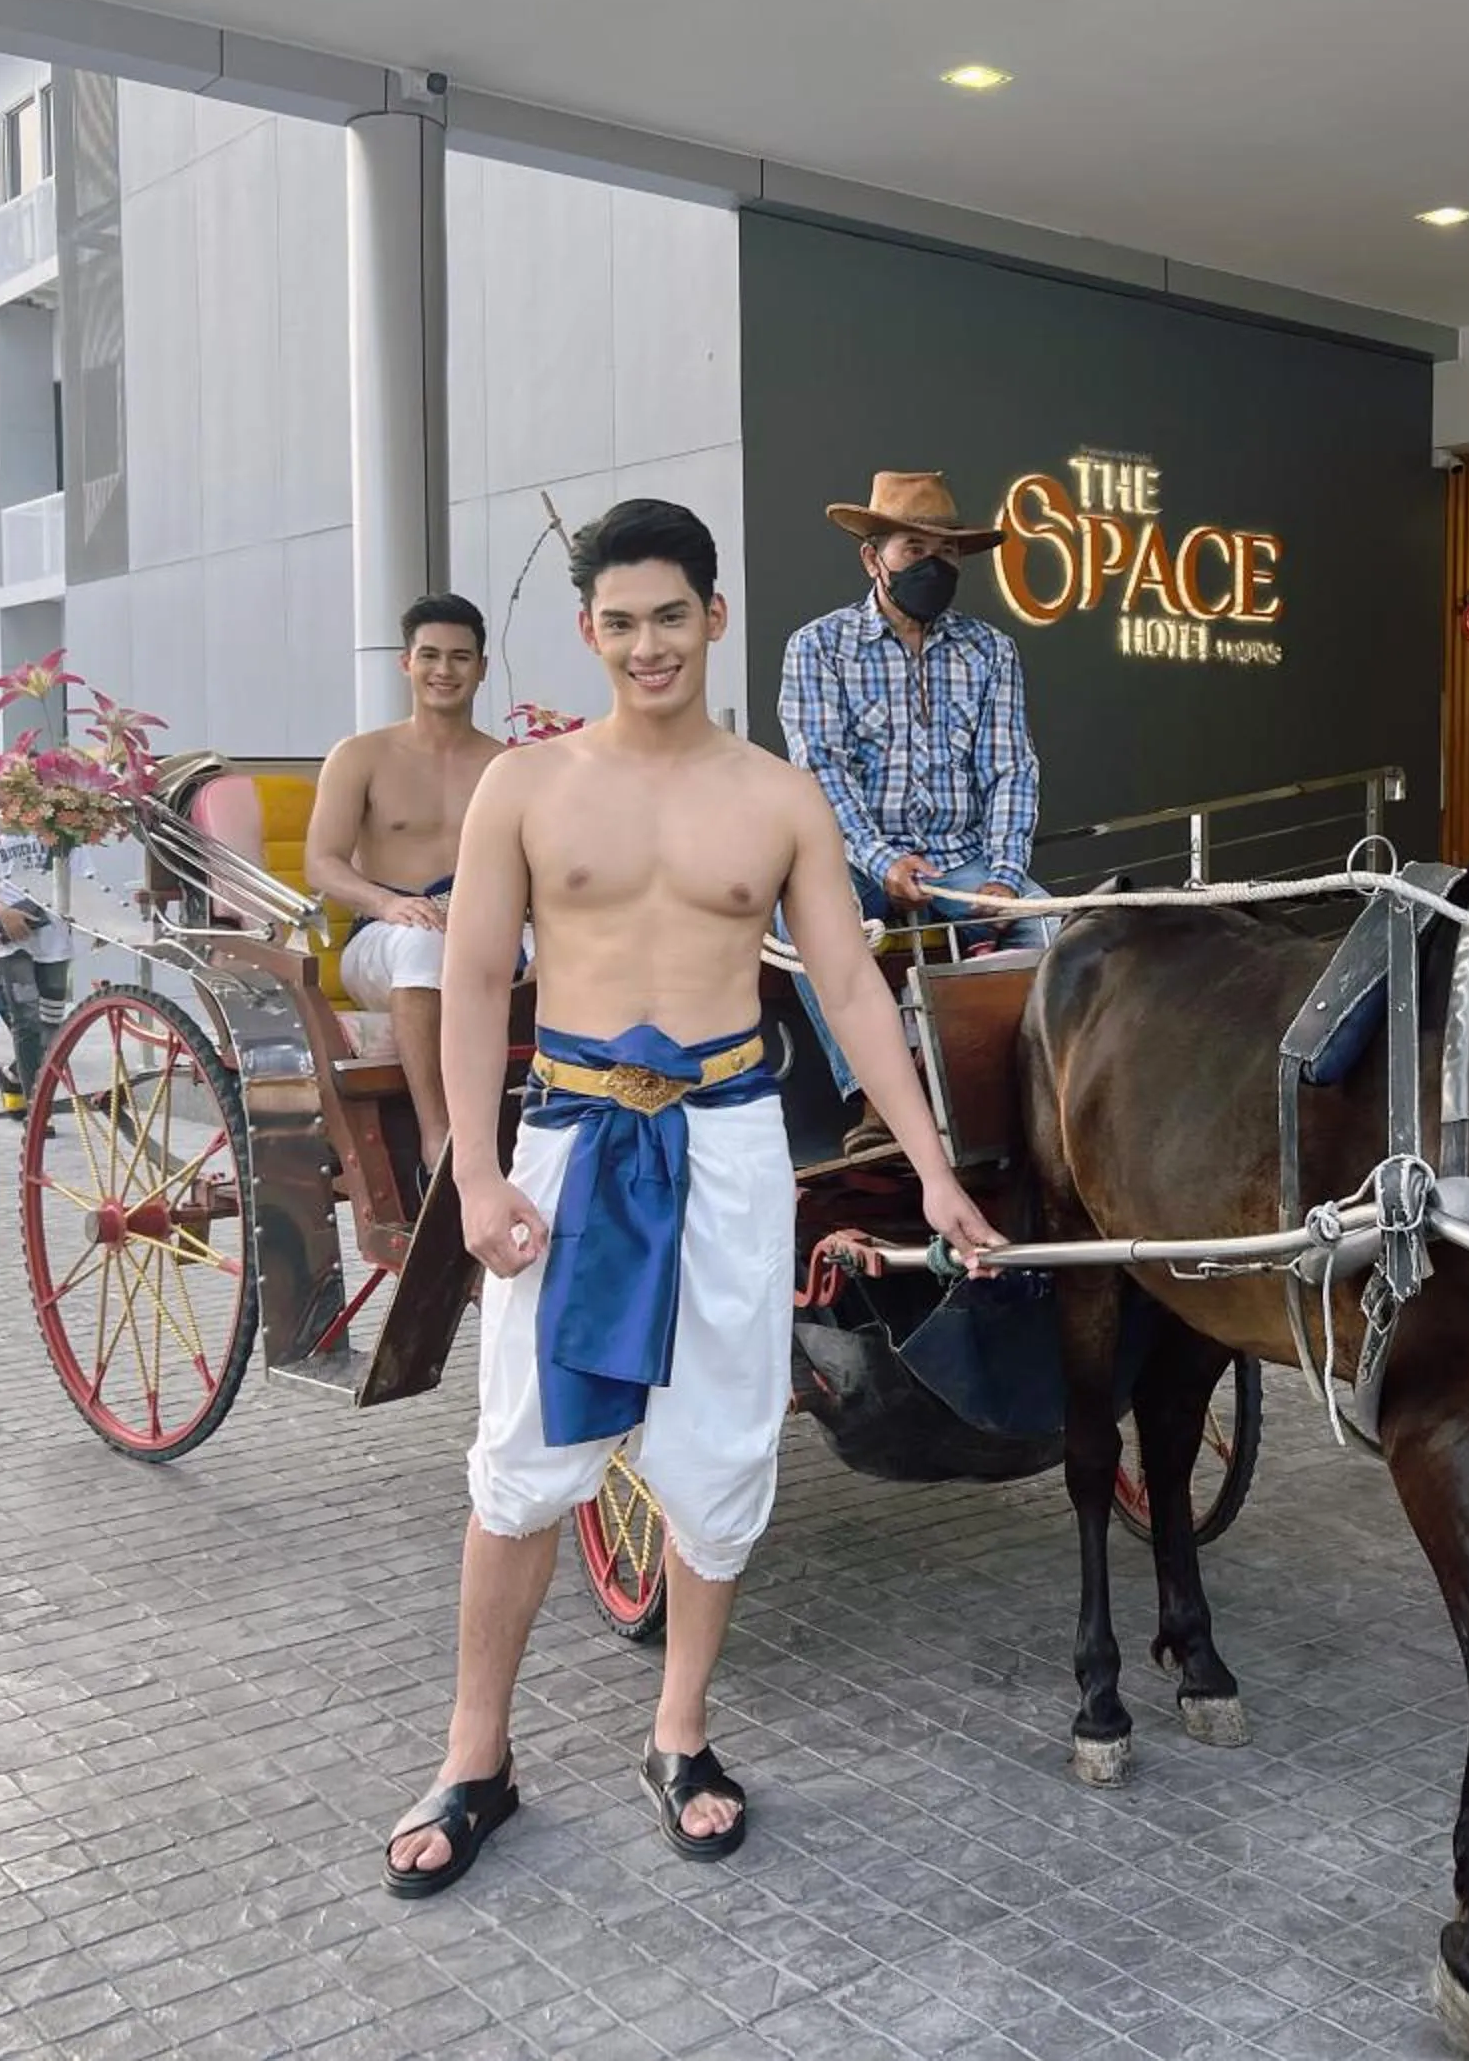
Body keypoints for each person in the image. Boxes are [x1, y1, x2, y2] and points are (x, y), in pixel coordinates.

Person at [382, 497, 1004, 1896]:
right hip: (569, 1140)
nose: (647, 643)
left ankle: (681, 1732)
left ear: (715, 618)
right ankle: (475, 1754)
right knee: (524, 1461)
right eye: (620, 621)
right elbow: (479, 977)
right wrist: (477, 1175)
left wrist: (935, 1168)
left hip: (725, 1140)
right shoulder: (529, 787)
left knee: (722, 1448)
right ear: (590, 631)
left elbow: (846, 983)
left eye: (673, 615)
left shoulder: (781, 796)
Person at [778, 471, 1049, 1152]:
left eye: (947, 553)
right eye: (913, 549)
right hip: (857, 859)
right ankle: (877, 1101)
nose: (933, 566)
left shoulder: (992, 650)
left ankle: (1036, 1099)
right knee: (812, 915)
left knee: (1058, 933)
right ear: (874, 558)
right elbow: (822, 776)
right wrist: (883, 860)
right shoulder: (818, 648)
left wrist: (1006, 880)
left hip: (963, 857)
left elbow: (1010, 769)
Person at [304, 592, 509, 1181]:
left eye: (460, 658)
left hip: (484, 933)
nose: (445, 671)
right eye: (431, 656)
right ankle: (436, 1137)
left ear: (482, 668)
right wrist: (390, 904)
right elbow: (322, 862)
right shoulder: (361, 755)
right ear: (407, 663)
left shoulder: (506, 765)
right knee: (424, 948)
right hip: (386, 937)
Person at [0, 806, 71, 1111]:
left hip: (54, 935)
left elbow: (83, 874)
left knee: (52, 1026)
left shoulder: (66, 823)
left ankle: (13, 1076)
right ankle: (39, 1109)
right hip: (10, 938)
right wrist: (3, 913)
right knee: (26, 1019)